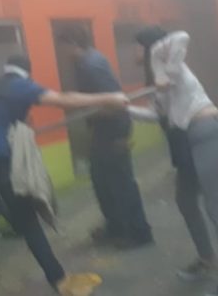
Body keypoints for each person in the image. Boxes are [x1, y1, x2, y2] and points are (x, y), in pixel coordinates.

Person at [0, 55, 128, 296]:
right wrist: (109, 98)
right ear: (28, 72)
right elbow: (63, 100)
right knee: (28, 219)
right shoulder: (21, 86)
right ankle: (59, 281)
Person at [132, 27, 218, 296]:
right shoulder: (156, 76)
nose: (133, 51)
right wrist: (123, 109)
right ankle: (207, 259)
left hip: (207, 131)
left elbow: (182, 35)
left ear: (148, 46)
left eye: (137, 45)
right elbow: (156, 114)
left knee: (216, 208)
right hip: (186, 139)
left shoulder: (170, 62)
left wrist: (166, 72)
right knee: (185, 200)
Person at [56, 25, 153, 249]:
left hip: (113, 130)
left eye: (62, 46)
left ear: (72, 44)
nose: (61, 52)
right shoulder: (84, 63)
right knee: (102, 181)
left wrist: (121, 134)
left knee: (121, 183)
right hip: (102, 130)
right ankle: (116, 226)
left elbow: (117, 101)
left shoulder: (92, 65)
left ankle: (139, 232)